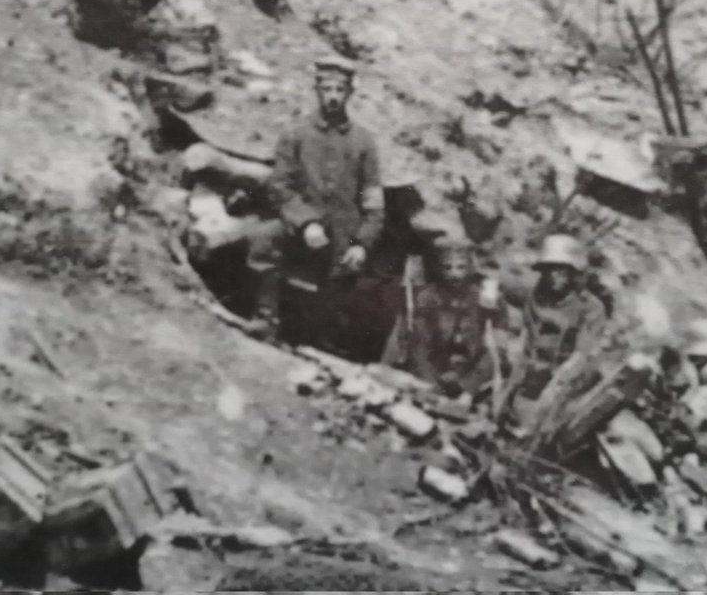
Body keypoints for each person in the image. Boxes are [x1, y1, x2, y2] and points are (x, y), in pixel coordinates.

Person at [247, 55, 385, 354]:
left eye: (340, 89)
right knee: (264, 239)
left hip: (341, 233)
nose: (333, 96)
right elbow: (279, 185)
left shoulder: (364, 142)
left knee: (349, 280)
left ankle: (322, 341)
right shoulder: (295, 134)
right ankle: (265, 317)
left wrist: (362, 242)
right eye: (327, 88)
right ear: (317, 90)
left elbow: (373, 201)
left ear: (350, 92)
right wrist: (306, 221)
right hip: (299, 225)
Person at [506, 233, 608, 418]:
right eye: (549, 270)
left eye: (562, 271)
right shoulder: (533, 292)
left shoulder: (590, 308)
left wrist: (555, 384)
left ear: (574, 273)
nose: (554, 277)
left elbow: (582, 355)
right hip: (526, 365)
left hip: (559, 375)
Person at [385, 235, 497, 402]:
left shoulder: (481, 298)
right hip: (433, 373)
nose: (454, 274)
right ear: (439, 269)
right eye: (447, 268)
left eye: (461, 268)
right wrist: (431, 384)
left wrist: (468, 386)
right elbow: (419, 346)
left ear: (470, 269)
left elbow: (491, 349)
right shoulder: (427, 298)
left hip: (469, 375)